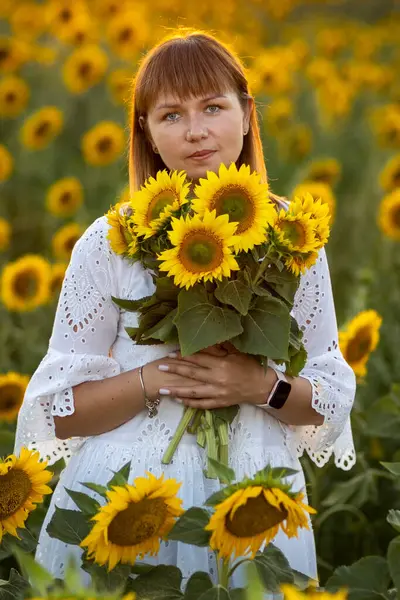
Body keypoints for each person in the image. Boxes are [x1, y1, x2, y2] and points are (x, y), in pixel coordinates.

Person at [14, 30, 356, 584]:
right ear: (145, 131)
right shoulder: (113, 241)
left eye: (213, 107)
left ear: (247, 115)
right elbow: (59, 411)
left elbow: (329, 399)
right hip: (123, 499)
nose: (196, 132)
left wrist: (257, 386)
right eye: (170, 115)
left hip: (252, 502)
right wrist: (159, 376)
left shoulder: (291, 239)